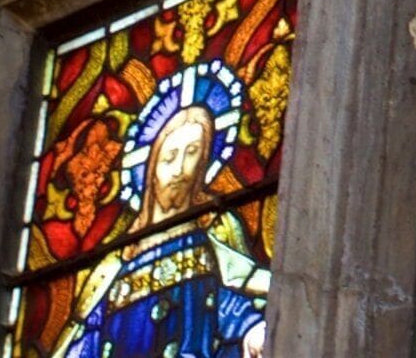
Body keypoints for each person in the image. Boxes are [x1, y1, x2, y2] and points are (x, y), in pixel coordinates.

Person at [54, 75, 275, 357]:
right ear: (151, 169)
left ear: (204, 161)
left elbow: (227, 302)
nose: (180, 169)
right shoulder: (115, 263)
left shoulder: (212, 237)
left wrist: (252, 328)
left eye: (192, 153)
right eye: (170, 156)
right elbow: (88, 338)